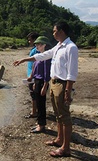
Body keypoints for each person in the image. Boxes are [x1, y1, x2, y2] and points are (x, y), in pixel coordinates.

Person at [13, 21, 78, 158]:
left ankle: (66, 148)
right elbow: (43, 55)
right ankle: (59, 140)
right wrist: (25, 59)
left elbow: (72, 73)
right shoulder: (58, 47)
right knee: (58, 114)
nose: (53, 33)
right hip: (54, 83)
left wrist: (68, 91)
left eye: (54, 31)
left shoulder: (70, 48)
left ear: (61, 31)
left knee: (64, 116)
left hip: (62, 84)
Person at [28, 36, 51, 133]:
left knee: (41, 104)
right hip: (37, 81)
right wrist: (32, 79)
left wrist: (45, 86)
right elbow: (34, 67)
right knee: (38, 102)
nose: (36, 46)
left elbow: (47, 73)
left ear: (44, 45)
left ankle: (41, 125)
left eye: (38, 44)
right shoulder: (39, 55)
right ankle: (39, 123)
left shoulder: (46, 57)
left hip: (42, 82)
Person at [25, 32, 39, 119]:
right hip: (33, 75)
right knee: (34, 94)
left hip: (33, 76)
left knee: (33, 94)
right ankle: (35, 110)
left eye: (30, 40)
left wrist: (32, 76)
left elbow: (36, 64)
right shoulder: (35, 49)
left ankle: (34, 112)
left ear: (34, 40)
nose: (29, 41)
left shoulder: (35, 50)